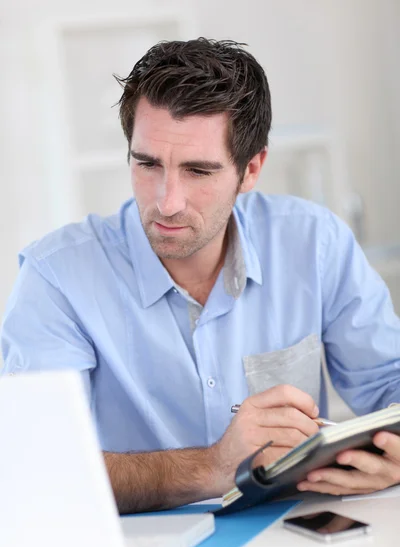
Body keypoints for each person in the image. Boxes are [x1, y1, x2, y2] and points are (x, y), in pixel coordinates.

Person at [2, 38, 400, 513]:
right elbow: (35, 467)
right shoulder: (56, 278)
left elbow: (389, 384)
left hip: (297, 538)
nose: (166, 202)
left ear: (251, 169)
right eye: (147, 164)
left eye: (198, 171)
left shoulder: (315, 244)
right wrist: (213, 467)